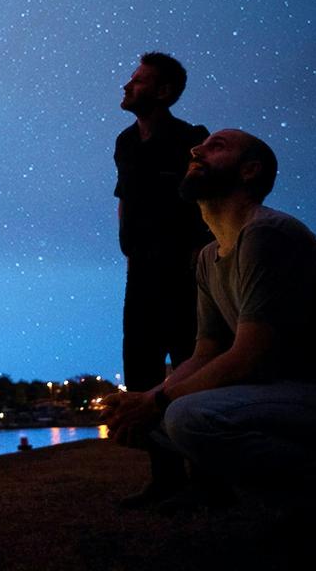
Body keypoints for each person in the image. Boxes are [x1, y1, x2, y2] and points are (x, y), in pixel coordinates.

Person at [104, 130, 316, 531]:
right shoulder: (208, 257)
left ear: (249, 171)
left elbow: (251, 357)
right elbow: (206, 352)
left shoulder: (267, 234)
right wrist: (145, 400)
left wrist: (161, 401)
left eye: (216, 146)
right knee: (156, 419)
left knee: (188, 416)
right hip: (309, 401)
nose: (196, 149)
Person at [112, 51, 210, 506]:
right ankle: (165, 476)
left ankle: (210, 478)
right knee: (141, 369)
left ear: (164, 91)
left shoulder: (192, 139)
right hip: (140, 272)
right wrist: (126, 241)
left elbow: (206, 198)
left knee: (192, 362)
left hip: (183, 272)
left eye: (138, 81)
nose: (127, 87)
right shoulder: (125, 142)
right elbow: (124, 195)